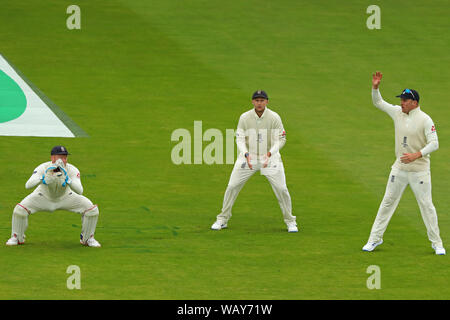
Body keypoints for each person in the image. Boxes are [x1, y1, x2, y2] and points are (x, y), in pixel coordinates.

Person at [362, 72, 445, 255]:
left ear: (414, 103)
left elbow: (435, 143)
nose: (402, 103)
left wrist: (417, 155)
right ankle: (374, 239)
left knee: (426, 206)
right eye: (401, 99)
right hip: (399, 169)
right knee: (387, 203)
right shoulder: (398, 113)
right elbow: (378, 103)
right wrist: (375, 87)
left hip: (419, 171)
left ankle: (437, 244)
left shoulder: (425, 119)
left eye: (405, 100)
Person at [211, 90, 297, 232]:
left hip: (269, 158)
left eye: (262, 100)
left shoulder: (274, 117)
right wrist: (245, 154)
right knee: (232, 186)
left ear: (267, 102)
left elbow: (281, 139)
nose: (259, 103)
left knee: (282, 189)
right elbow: (239, 138)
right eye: (256, 100)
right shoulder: (245, 117)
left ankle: (290, 221)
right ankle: (222, 219)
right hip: (248, 158)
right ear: (252, 102)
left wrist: (270, 154)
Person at [6, 146, 101, 247]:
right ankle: (16, 237)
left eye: (65, 157)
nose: (63, 160)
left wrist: (68, 180)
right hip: (42, 196)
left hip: (66, 197)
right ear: (52, 158)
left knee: (91, 209)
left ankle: (88, 238)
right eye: (60, 157)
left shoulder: (72, 169)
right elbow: (28, 185)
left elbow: (80, 191)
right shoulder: (43, 167)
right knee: (20, 210)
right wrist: (43, 178)